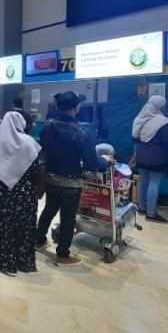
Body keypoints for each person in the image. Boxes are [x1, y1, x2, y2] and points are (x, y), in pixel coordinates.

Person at [35, 91, 112, 266]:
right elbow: (91, 163)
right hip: (70, 183)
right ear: (76, 108)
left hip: (50, 178)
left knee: (49, 210)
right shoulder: (84, 133)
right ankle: (62, 255)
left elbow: (44, 146)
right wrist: (105, 160)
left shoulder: (47, 126)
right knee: (68, 218)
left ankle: (38, 240)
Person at [0, 110, 42, 276]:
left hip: (2, 193)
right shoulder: (30, 142)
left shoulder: (0, 141)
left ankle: (5, 263)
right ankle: (24, 262)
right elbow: (37, 169)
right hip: (25, 194)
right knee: (24, 228)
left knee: (2, 227)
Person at [132, 95, 168, 223]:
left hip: (141, 156)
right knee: (154, 183)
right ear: (160, 106)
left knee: (143, 181)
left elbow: (134, 138)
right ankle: (151, 214)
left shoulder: (140, 118)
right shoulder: (163, 121)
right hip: (157, 157)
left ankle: (142, 208)